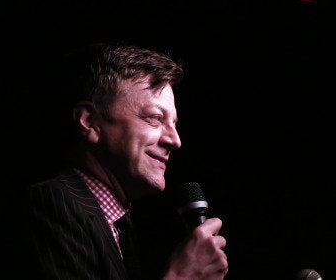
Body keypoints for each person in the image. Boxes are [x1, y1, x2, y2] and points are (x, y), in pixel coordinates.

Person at [23, 42, 229, 280]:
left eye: (174, 124)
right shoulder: (54, 204)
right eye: (155, 118)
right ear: (90, 122)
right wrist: (180, 277)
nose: (175, 140)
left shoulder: (119, 224)